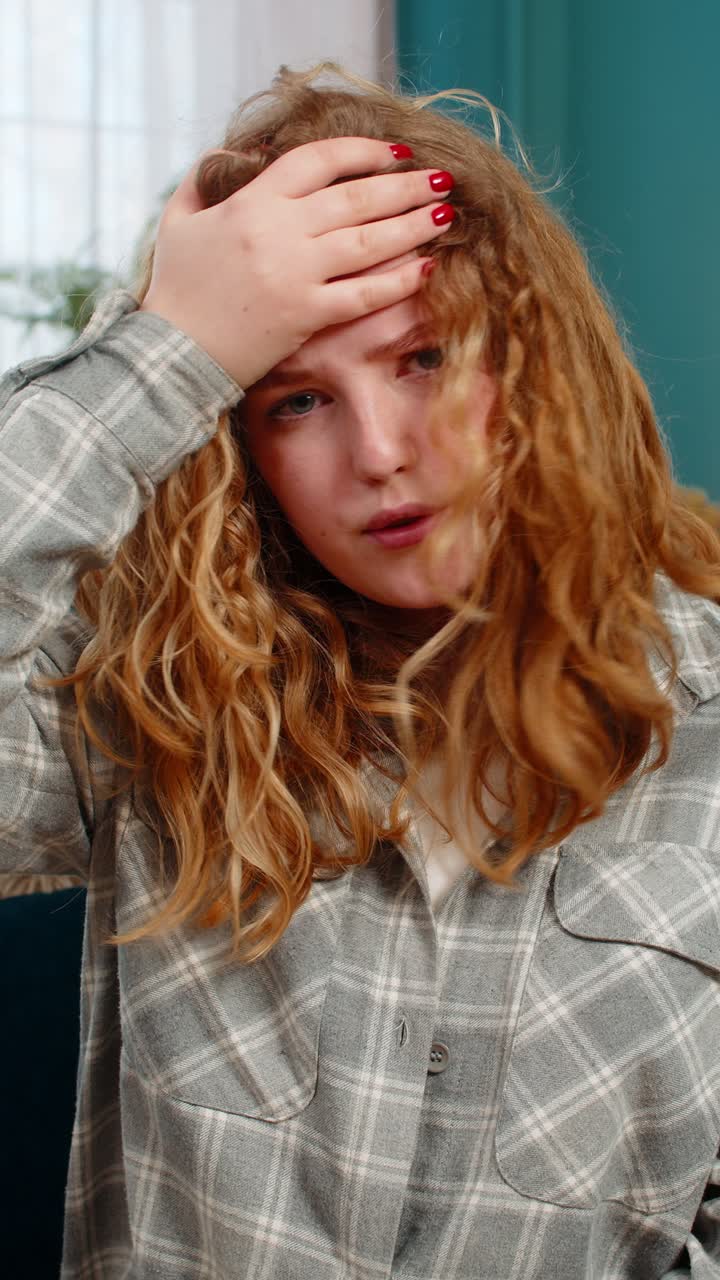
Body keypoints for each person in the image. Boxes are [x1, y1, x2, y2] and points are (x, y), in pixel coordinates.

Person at [1, 61, 719, 1279]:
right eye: (295, 402)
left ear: (535, 365)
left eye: (426, 356)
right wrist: (167, 351)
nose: (380, 451)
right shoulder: (160, 707)